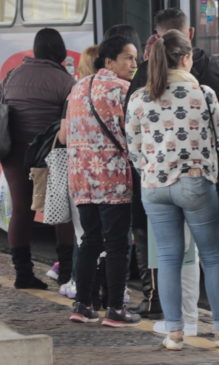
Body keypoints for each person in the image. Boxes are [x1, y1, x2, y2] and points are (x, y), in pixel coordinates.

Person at [126, 29, 219, 350]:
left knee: (169, 258)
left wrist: (153, 169)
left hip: (154, 187)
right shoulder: (204, 95)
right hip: (196, 181)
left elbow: (134, 149)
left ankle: (174, 332)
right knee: (213, 257)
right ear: (186, 58)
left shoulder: (139, 98)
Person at [65, 35, 140, 327]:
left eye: (135, 58)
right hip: (113, 180)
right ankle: (115, 308)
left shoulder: (78, 87)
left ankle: (82, 305)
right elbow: (133, 133)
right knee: (118, 243)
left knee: (90, 241)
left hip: (82, 179)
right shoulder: (124, 90)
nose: (134, 64)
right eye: (128, 58)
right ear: (109, 61)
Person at [0, 28, 76, 290]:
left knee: (21, 210)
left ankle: (23, 273)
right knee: (60, 210)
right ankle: (66, 272)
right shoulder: (65, 80)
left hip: (14, 151)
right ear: (60, 51)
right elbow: (69, 122)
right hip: (49, 153)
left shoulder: (13, 75)